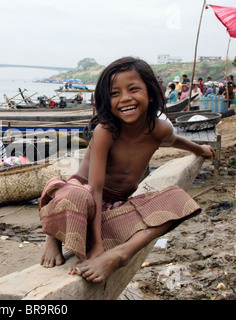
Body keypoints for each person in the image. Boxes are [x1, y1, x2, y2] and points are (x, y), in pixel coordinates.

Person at [38, 57, 215, 283]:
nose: (125, 99)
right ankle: (53, 237)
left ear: (150, 94)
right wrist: (97, 247)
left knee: (178, 199)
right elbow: (96, 188)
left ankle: (121, 254)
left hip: (113, 208)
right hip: (85, 195)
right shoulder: (106, 130)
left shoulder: (157, 129)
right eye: (115, 93)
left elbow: (176, 140)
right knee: (75, 195)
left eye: (133, 89)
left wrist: (201, 149)